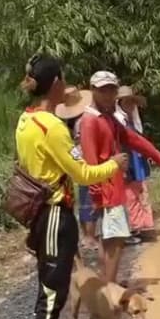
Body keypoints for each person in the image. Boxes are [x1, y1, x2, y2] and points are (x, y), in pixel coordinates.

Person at [15, 54, 127, 319]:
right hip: (54, 214)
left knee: (51, 291)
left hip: (39, 213)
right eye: (64, 80)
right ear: (57, 83)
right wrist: (113, 165)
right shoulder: (53, 128)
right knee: (52, 294)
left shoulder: (26, 120)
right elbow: (81, 173)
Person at [79, 71, 160, 285]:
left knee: (112, 239)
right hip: (106, 191)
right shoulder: (90, 121)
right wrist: (97, 194)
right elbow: (89, 161)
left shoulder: (108, 119)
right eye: (102, 90)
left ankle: (107, 284)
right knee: (115, 240)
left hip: (114, 187)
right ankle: (110, 288)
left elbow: (134, 139)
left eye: (111, 90)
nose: (107, 94)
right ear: (93, 91)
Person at [55, 88, 98, 251]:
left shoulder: (67, 123)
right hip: (86, 160)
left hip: (75, 161)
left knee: (83, 199)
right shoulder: (84, 120)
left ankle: (86, 236)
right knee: (90, 198)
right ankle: (90, 237)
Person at [115, 86, 154, 243]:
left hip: (137, 161)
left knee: (139, 193)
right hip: (127, 163)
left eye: (132, 102)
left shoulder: (132, 121)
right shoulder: (119, 121)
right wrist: (123, 169)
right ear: (120, 102)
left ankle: (139, 227)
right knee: (129, 196)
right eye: (127, 102)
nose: (131, 105)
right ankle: (130, 230)